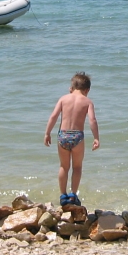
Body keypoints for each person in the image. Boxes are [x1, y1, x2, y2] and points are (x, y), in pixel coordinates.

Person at [44, 72, 100, 206]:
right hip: (77, 136)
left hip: (62, 135)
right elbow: (92, 120)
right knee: (77, 167)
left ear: (71, 88)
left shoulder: (63, 99)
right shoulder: (87, 102)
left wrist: (47, 133)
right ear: (87, 90)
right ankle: (73, 195)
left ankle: (63, 195)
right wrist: (96, 138)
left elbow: (53, 116)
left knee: (64, 166)